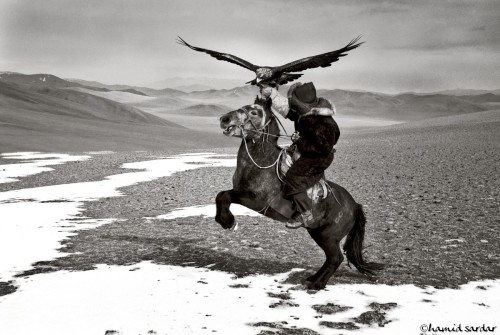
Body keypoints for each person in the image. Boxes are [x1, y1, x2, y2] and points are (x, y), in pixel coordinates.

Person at [261, 82, 340, 229]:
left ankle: (306, 214)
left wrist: (300, 141)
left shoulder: (324, 123)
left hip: (318, 158)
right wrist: (272, 94)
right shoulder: (306, 114)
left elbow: (322, 148)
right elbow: (288, 111)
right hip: (306, 151)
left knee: (293, 179)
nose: (294, 107)